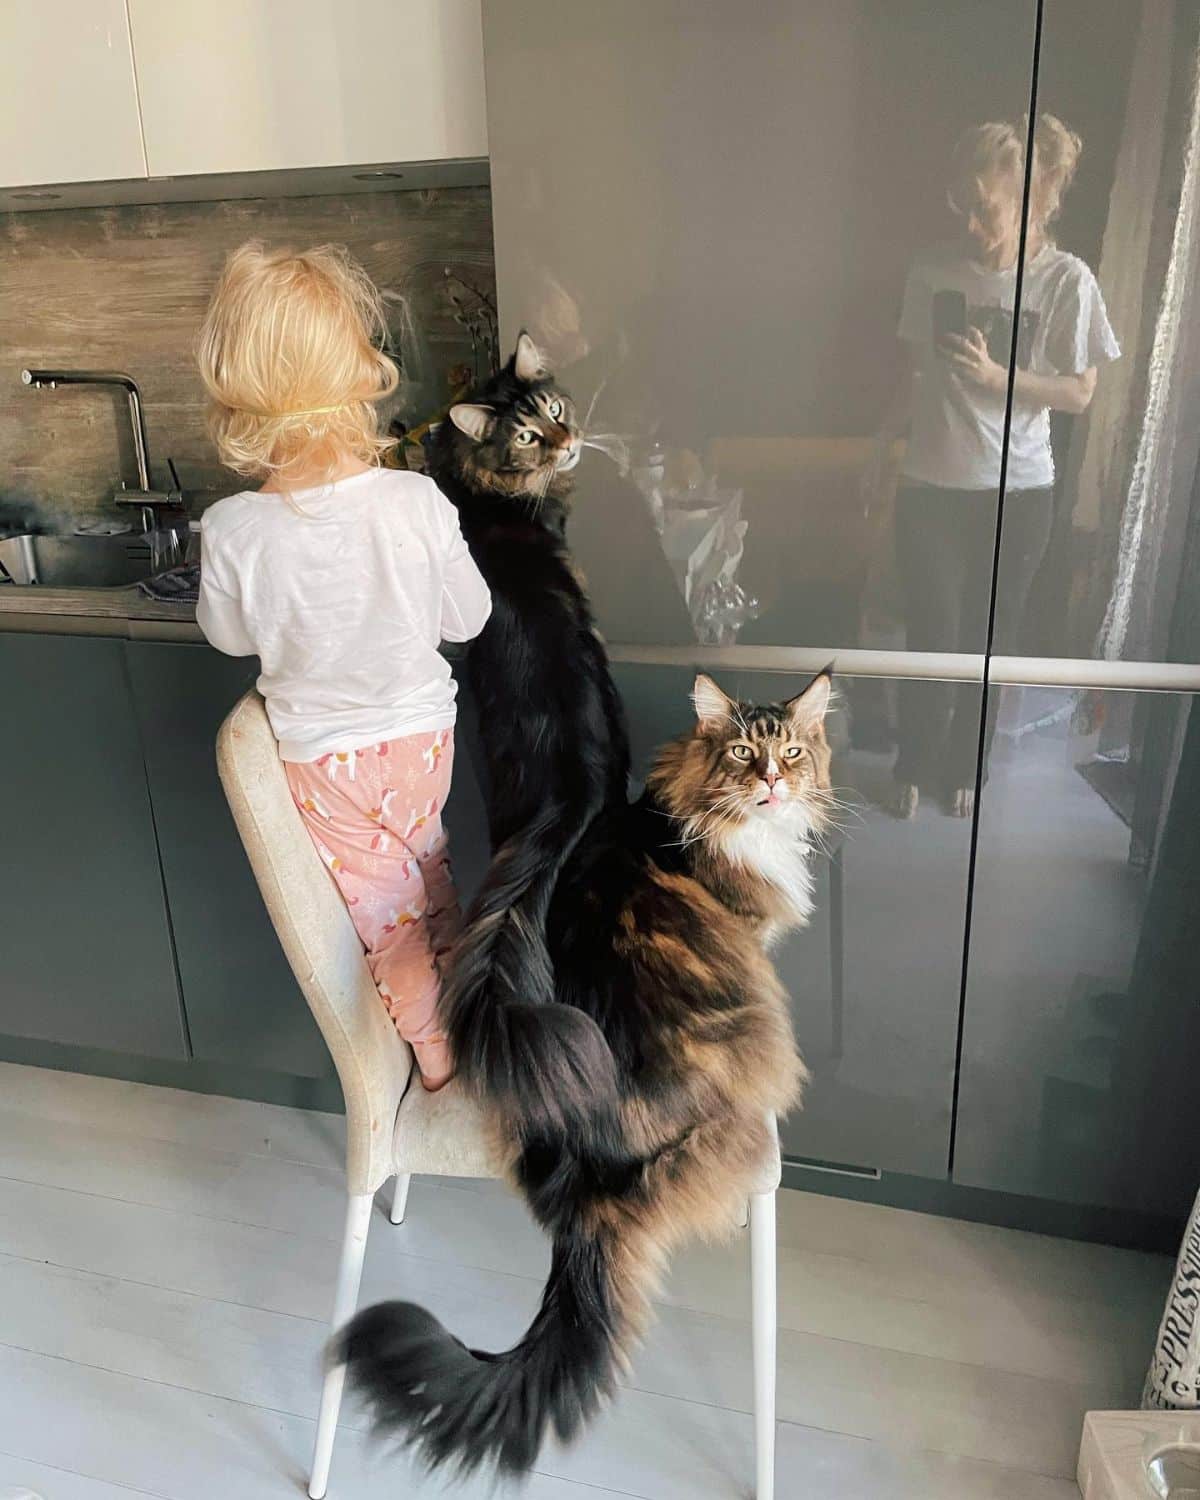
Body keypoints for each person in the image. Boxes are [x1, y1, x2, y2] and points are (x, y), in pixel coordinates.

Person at [195, 242, 491, 1089]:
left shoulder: (235, 530)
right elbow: (467, 618)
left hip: (326, 764)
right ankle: (471, 1020)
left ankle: (438, 1060)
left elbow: (227, 638)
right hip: (422, 749)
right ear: (362, 366)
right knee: (432, 881)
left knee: (389, 923)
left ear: (235, 387)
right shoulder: (415, 501)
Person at [866, 114, 1119, 817]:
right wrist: (879, 445)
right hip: (929, 484)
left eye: (988, 208)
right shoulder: (932, 270)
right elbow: (915, 375)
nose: (973, 224)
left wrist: (996, 376)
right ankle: (913, 764)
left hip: (1019, 491)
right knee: (932, 632)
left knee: (986, 641)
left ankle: (964, 771)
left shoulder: (1067, 281)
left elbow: (1079, 391)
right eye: (962, 205)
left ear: (1035, 200)